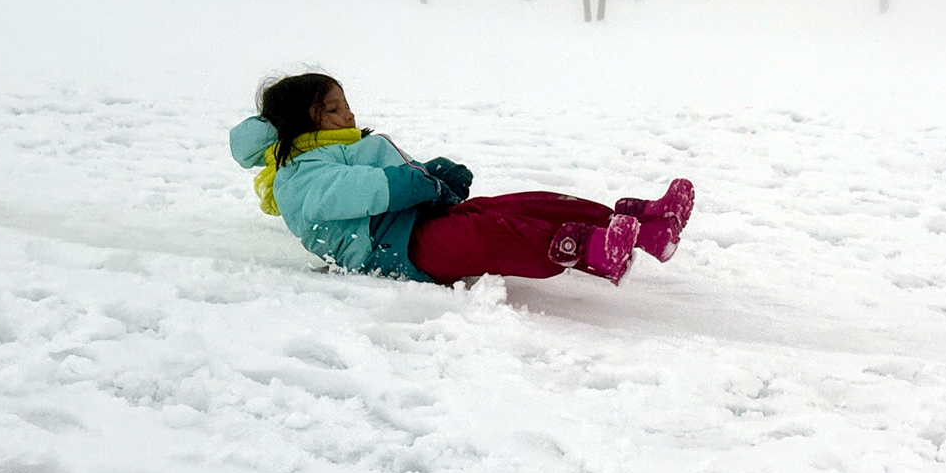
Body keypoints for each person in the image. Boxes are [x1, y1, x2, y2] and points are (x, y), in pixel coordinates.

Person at [229, 72, 693, 286]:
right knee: (487, 234)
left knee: (515, 205)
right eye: (332, 109)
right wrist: (418, 183)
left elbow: (395, 177)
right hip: (392, 249)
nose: (348, 113)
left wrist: (432, 173)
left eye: (345, 102)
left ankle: (642, 229)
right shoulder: (296, 176)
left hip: (416, 219)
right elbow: (363, 192)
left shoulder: (344, 145)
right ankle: (592, 250)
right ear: (299, 122)